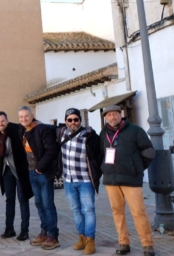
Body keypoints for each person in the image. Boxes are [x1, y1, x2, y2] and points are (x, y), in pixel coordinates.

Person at [100, 105, 156, 256]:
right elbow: (100, 154)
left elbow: (149, 152)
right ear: (105, 118)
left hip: (131, 179)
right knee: (117, 212)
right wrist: (104, 168)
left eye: (115, 114)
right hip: (111, 179)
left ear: (121, 115)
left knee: (138, 212)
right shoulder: (104, 133)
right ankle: (123, 243)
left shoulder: (135, 131)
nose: (112, 117)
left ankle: (147, 245)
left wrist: (136, 168)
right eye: (109, 115)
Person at [57, 108, 102, 255]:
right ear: (65, 121)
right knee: (75, 210)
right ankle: (81, 237)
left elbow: (99, 156)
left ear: (80, 120)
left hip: (85, 180)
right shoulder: (60, 133)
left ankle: (90, 239)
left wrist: (96, 174)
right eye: (70, 119)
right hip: (68, 180)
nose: (73, 122)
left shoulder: (89, 136)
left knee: (88, 210)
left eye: (76, 119)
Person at [19, 106, 60, 250]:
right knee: (39, 203)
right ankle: (44, 231)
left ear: (32, 115)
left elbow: (51, 150)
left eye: (26, 116)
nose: (24, 119)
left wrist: (40, 168)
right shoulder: (25, 131)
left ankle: (53, 236)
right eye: (21, 117)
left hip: (43, 173)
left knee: (48, 204)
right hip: (32, 173)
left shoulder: (41, 129)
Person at [0, 111, 33, 241]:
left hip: (19, 170)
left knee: (23, 199)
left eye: (2, 121)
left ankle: (24, 230)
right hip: (6, 171)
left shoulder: (17, 129)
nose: (0, 124)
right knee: (9, 200)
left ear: (7, 120)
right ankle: (9, 229)